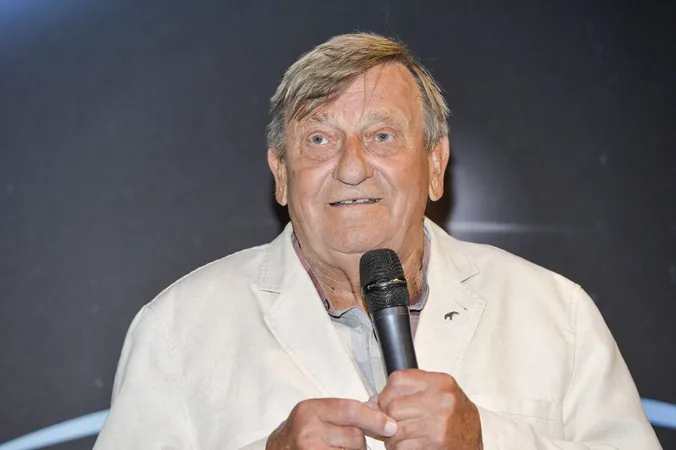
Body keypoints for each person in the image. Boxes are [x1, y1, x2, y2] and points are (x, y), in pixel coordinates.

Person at [93, 33, 661, 450]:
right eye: (319, 139)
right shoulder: (177, 328)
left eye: (382, 136)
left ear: (434, 164)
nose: (351, 167)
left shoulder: (556, 313)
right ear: (282, 174)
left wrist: (488, 440)